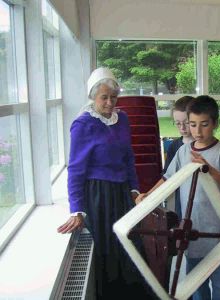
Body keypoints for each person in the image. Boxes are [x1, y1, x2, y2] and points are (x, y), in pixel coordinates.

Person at [57, 67, 154, 299]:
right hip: (98, 197)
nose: (110, 102)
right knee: (109, 254)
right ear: (92, 97)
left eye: (114, 97)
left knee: (131, 247)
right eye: (104, 97)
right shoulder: (83, 125)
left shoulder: (123, 120)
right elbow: (76, 170)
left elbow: (129, 157)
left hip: (122, 194)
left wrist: (134, 189)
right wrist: (76, 210)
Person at [136, 95, 220, 300]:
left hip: (219, 234)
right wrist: (148, 195)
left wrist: (209, 170)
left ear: (215, 123)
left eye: (204, 125)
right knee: (196, 288)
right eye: (193, 125)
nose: (198, 131)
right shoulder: (184, 151)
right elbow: (167, 178)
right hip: (192, 234)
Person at [163, 95, 194, 219]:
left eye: (186, 123)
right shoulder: (174, 147)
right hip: (181, 201)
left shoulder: (205, 145)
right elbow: (167, 177)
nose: (182, 128)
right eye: (177, 123)